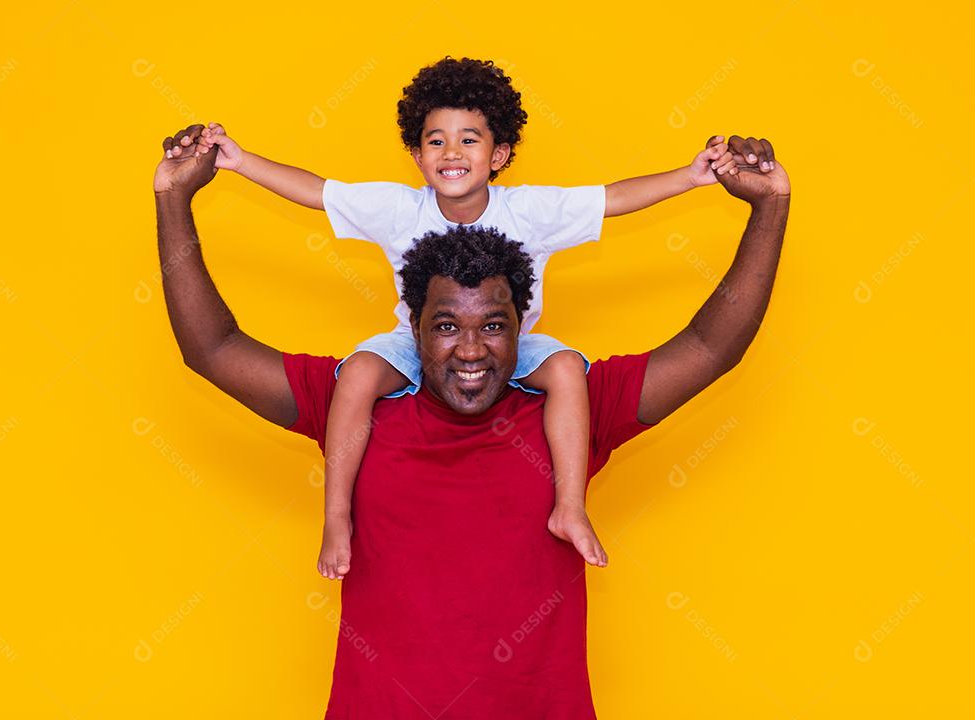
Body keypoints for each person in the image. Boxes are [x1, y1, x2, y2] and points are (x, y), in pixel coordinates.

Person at [153, 122, 790, 718]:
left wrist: (768, 208)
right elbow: (213, 348)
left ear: (522, 327)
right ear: (415, 328)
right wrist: (174, 199)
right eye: (445, 326)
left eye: (493, 325)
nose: (469, 350)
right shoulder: (362, 405)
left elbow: (711, 346)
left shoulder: (568, 412)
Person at [171, 57, 744, 578]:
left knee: (568, 368)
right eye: (436, 141)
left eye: (469, 140)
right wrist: (239, 161)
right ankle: (338, 516)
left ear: (497, 156)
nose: (451, 153)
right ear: (418, 156)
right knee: (358, 378)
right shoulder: (399, 208)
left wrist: (689, 177)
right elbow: (318, 191)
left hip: (508, 347)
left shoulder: (531, 210)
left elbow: (612, 198)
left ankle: (569, 508)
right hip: (412, 343)